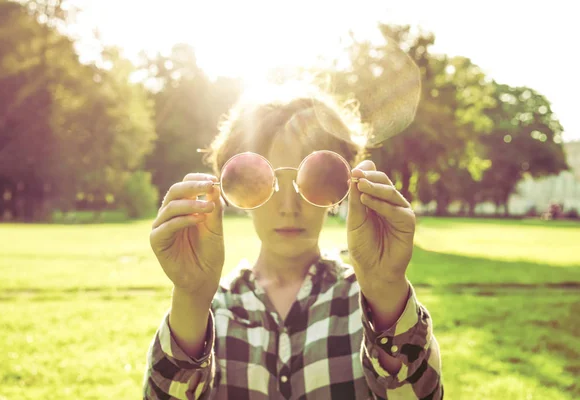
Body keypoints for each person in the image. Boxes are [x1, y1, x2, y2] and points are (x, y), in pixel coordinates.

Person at [143, 82, 443, 399]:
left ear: (344, 188)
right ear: (232, 191)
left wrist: (385, 291)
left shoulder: (373, 302)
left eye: (314, 179)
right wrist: (189, 298)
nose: (288, 206)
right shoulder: (208, 310)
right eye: (261, 181)